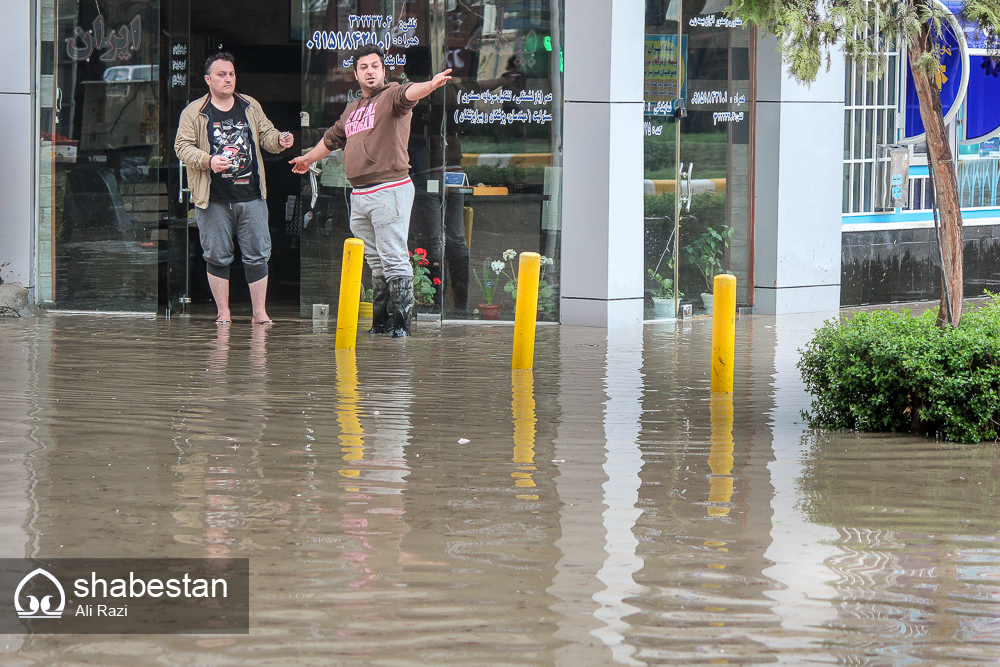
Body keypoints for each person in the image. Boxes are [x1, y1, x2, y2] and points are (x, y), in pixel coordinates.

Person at [290, 44, 452, 337]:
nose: (370, 72)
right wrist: (307, 159)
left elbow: (410, 93)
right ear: (356, 74)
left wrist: (431, 84)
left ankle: (402, 328)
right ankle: (380, 323)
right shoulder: (352, 109)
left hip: (389, 188)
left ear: (383, 69)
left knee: (393, 257)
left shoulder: (392, 95)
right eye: (364, 67)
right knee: (376, 262)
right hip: (360, 193)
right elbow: (331, 139)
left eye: (375, 66)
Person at [175, 52, 294, 325]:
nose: (228, 79)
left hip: (251, 195)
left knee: (258, 254)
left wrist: (281, 139)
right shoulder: (194, 112)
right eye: (221, 75)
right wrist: (208, 160)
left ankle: (259, 313)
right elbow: (181, 147)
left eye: (231, 74)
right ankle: (223, 313)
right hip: (213, 198)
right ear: (208, 79)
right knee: (216, 255)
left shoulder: (249, 105)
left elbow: (266, 135)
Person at [404, 47, 523, 315]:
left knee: (431, 240)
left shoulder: (410, 94)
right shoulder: (451, 90)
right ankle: (460, 306)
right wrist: (505, 80)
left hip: (427, 173)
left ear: (409, 68)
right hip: (454, 171)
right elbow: (481, 86)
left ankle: (432, 304)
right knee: (456, 238)